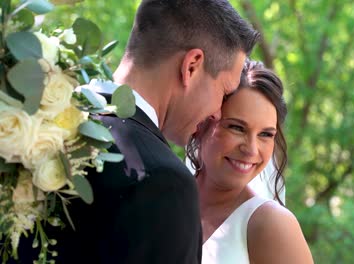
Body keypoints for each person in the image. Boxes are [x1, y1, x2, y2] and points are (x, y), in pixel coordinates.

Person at [14, 1, 259, 263]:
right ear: (191, 66)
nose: (217, 113)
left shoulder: (32, 124)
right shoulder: (163, 183)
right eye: (223, 91)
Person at [186, 60, 314, 264]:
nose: (251, 150)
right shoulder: (164, 199)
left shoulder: (271, 224)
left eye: (265, 134)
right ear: (201, 123)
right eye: (237, 128)